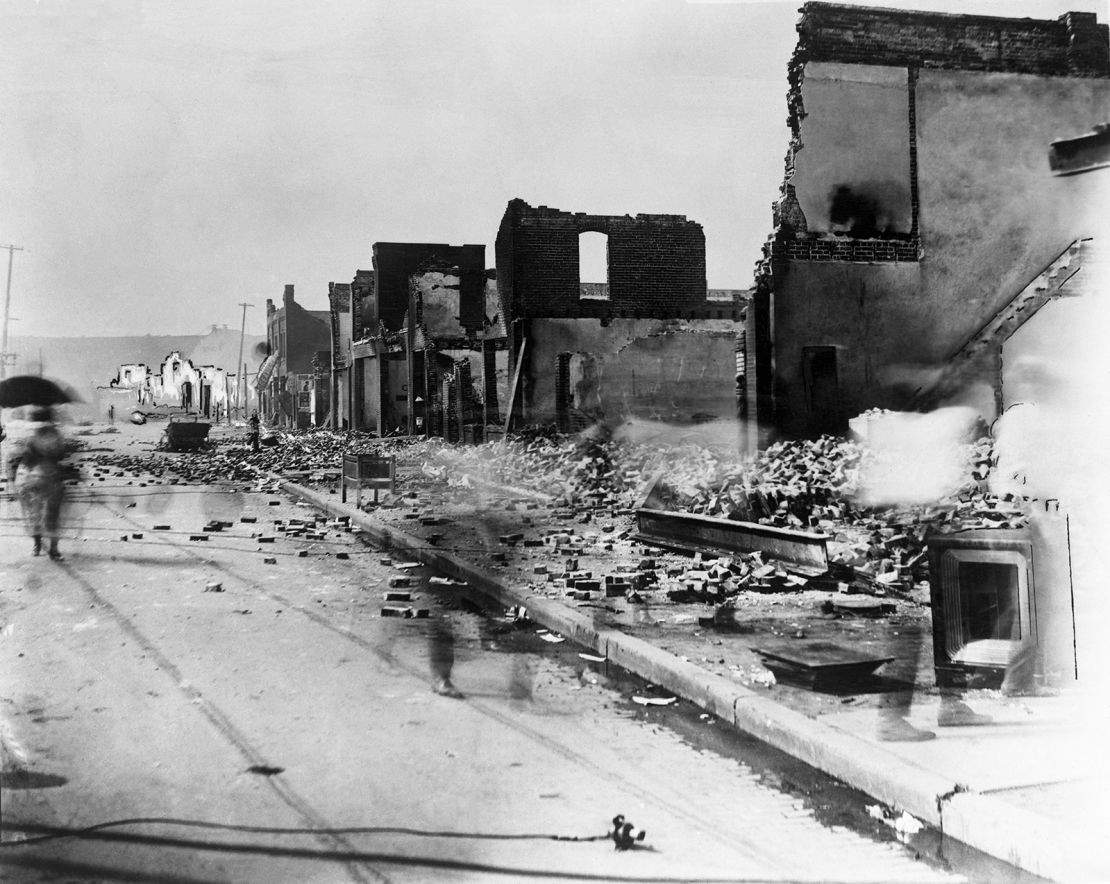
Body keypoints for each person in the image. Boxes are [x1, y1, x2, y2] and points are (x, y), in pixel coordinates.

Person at [7, 407, 68, 560]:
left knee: (34, 513)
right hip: (53, 478)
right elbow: (62, 454)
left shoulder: (31, 436)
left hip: (33, 480)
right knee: (53, 515)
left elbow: (25, 459)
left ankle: (37, 545)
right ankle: (54, 550)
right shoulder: (56, 435)